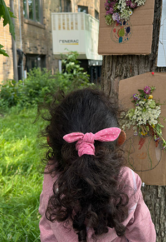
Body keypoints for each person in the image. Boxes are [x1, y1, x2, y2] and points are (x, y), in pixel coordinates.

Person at [39, 88, 156, 242]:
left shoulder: (52, 180)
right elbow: (143, 236)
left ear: (51, 142)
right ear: (119, 139)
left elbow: (48, 232)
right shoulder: (127, 179)